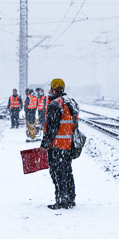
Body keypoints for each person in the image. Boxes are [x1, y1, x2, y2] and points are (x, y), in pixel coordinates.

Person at [39, 78, 79, 210]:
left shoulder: (55, 105)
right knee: (67, 172)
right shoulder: (71, 103)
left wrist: (44, 145)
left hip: (56, 146)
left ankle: (62, 201)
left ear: (55, 89)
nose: (49, 90)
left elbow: (51, 128)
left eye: (51, 88)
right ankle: (70, 198)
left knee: (57, 174)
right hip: (68, 145)